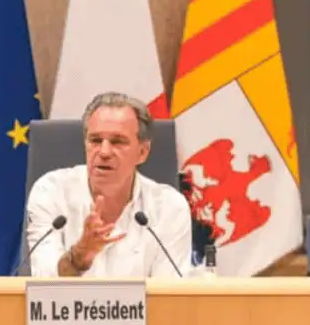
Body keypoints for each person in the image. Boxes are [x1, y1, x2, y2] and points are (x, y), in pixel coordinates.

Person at [26, 92, 192, 277]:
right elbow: (42, 282)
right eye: (95, 140)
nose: (104, 152)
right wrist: (78, 258)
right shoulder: (51, 192)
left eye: (117, 141)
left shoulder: (169, 206)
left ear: (142, 152)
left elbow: (170, 290)